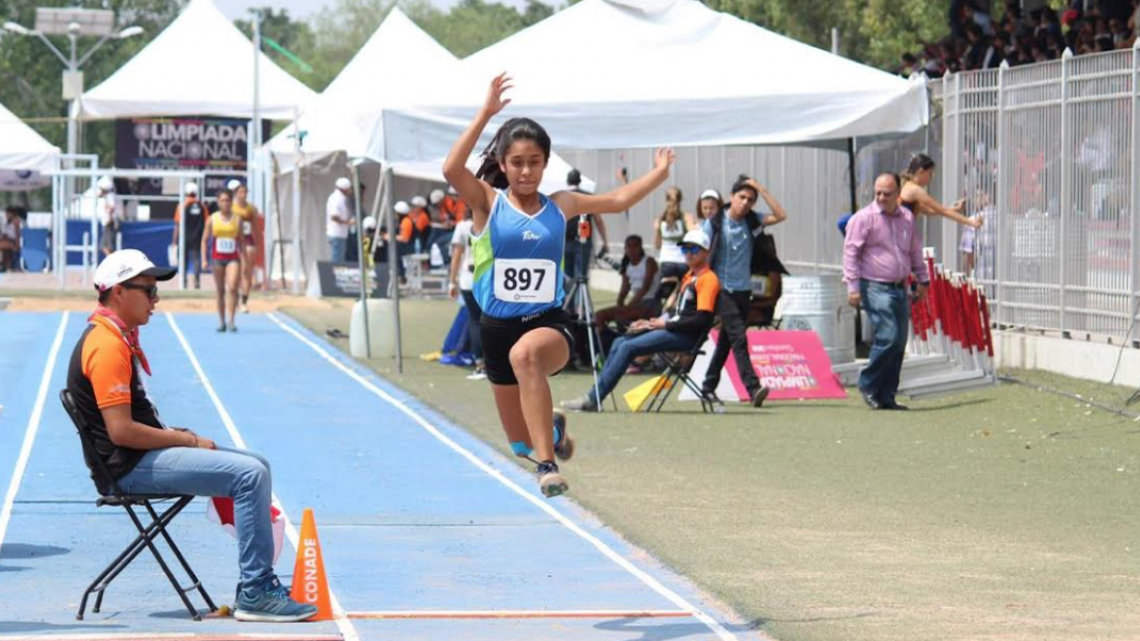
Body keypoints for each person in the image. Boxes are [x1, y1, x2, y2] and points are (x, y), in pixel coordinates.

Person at [442, 72, 675, 497]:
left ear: (546, 163)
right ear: (503, 164)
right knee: (519, 443)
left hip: (548, 323)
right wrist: (486, 113)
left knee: (527, 355)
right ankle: (553, 433)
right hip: (496, 329)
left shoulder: (561, 205)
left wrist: (659, 173)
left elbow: (618, 200)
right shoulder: (487, 203)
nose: (526, 171)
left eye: (534, 162)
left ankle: (549, 466)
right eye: (516, 162)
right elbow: (451, 168)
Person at [67, 249, 317, 622]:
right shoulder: (106, 345)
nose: (156, 299)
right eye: (148, 290)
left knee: (256, 464)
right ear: (119, 292)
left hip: (134, 459)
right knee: (249, 475)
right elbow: (121, 431)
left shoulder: (115, 335)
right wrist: (185, 440)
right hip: (127, 469)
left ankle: (256, 583)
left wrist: (176, 434)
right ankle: (257, 590)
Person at [562, 229, 719, 412]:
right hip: (675, 330)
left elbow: (701, 319)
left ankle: (592, 399)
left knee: (628, 347)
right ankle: (595, 395)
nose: (688, 254)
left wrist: (664, 324)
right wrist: (650, 322)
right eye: (685, 250)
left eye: (694, 250)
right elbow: (680, 312)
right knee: (619, 341)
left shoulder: (708, 279)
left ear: (706, 252)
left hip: (686, 337)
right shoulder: (690, 276)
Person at [843, 173, 930, 411]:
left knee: (899, 342)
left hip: (900, 287)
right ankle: (868, 383)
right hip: (874, 286)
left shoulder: (907, 218)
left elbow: (914, 251)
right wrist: (852, 287)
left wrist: (923, 280)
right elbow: (850, 253)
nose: (881, 197)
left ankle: (887, 394)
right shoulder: (864, 218)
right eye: (878, 193)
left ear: (897, 194)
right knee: (889, 336)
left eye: (887, 194)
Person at [700, 176, 788, 408]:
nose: (745, 203)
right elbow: (697, 250)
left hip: (743, 290)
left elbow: (781, 215)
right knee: (739, 337)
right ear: (731, 197)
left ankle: (707, 387)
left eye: (751, 199)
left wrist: (761, 188)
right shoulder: (715, 221)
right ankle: (753, 388)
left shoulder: (753, 221)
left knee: (726, 342)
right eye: (742, 197)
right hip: (720, 289)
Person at [594, 235, 661, 330]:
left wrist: (628, 307)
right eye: (629, 246)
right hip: (636, 304)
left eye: (635, 246)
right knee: (599, 315)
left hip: (650, 303)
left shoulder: (649, 262)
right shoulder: (627, 266)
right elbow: (624, 289)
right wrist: (619, 304)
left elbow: (645, 288)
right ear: (625, 249)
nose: (632, 249)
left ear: (641, 248)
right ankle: (603, 341)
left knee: (620, 318)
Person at [449, 209, 485, 380]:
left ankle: (480, 363)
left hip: (469, 278)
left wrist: (451, 281)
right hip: (491, 278)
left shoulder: (463, 227)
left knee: (476, 320)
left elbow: (456, 256)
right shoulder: (494, 222)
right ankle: (496, 363)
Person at [900, 154, 982, 229]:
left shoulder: (908, 186)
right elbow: (942, 211)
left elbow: (929, 211)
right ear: (921, 171)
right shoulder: (915, 190)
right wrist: (971, 222)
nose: (931, 178)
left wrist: (955, 208)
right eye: (930, 173)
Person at [201, 189, 243, 333]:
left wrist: (245, 261)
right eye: (223, 200)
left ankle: (231, 320)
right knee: (220, 290)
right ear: (218, 202)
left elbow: (241, 241)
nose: (226, 203)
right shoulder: (212, 219)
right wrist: (204, 259)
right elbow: (204, 240)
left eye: (228, 200)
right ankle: (221, 321)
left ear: (231, 202)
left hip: (233, 258)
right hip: (217, 258)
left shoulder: (237, 219)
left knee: (232, 288)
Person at [562, 169, 609, 285]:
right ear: (580, 181)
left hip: (566, 241)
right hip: (584, 242)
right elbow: (598, 220)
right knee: (581, 276)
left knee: (568, 275)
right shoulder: (588, 197)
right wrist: (605, 241)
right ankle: (581, 302)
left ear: (568, 181)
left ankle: (569, 302)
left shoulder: (562, 197)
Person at [654, 186, 698, 293]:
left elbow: (657, 245)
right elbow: (695, 236)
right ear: (681, 199)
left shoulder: (659, 219)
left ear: (666, 200)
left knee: (668, 296)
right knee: (683, 295)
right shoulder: (686, 217)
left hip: (666, 262)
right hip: (683, 262)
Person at [230, 181, 261, 313]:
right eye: (241, 192)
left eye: (245, 192)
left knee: (245, 271)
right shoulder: (230, 207)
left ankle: (244, 301)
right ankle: (234, 296)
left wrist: (258, 244)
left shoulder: (251, 209)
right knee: (234, 272)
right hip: (233, 241)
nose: (243, 195)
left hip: (248, 242)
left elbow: (256, 227)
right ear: (236, 193)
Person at [171, 182, 208, 289]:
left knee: (183, 260)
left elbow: (177, 225)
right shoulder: (202, 206)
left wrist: (174, 240)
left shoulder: (182, 205)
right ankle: (196, 282)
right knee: (196, 259)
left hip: (184, 238)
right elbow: (207, 223)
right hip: (198, 237)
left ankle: (183, 282)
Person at [326, 177, 355, 262]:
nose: (350, 191)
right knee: (337, 260)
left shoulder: (338, 197)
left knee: (339, 258)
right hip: (337, 233)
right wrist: (348, 222)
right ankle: (332, 275)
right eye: (349, 188)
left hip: (339, 234)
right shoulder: (337, 199)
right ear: (344, 189)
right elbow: (334, 216)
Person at [428, 188, 456, 267]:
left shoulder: (454, 204)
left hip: (457, 229)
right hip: (450, 228)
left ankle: (446, 263)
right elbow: (444, 217)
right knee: (434, 237)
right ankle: (429, 257)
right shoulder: (444, 206)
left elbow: (460, 220)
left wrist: (451, 223)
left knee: (439, 242)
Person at [97, 177, 119, 259]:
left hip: (108, 223)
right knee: (106, 246)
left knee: (106, 246)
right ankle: (111, 260)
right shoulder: (107, 197)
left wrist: (109, 218)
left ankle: (112, 261)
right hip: (107, 222)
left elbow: (111, 208)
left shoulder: (110, 196)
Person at [0, 206, 22, 272]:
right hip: (7, 240)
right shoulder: (7, 221)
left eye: (7, 214)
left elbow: (17, 233)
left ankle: (5, 265)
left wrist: (17, 245)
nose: (6, 215)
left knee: (3, 247)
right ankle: (5, 265)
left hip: (12, 241)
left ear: (12, 213)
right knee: (4, 250)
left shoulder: (16, 220)